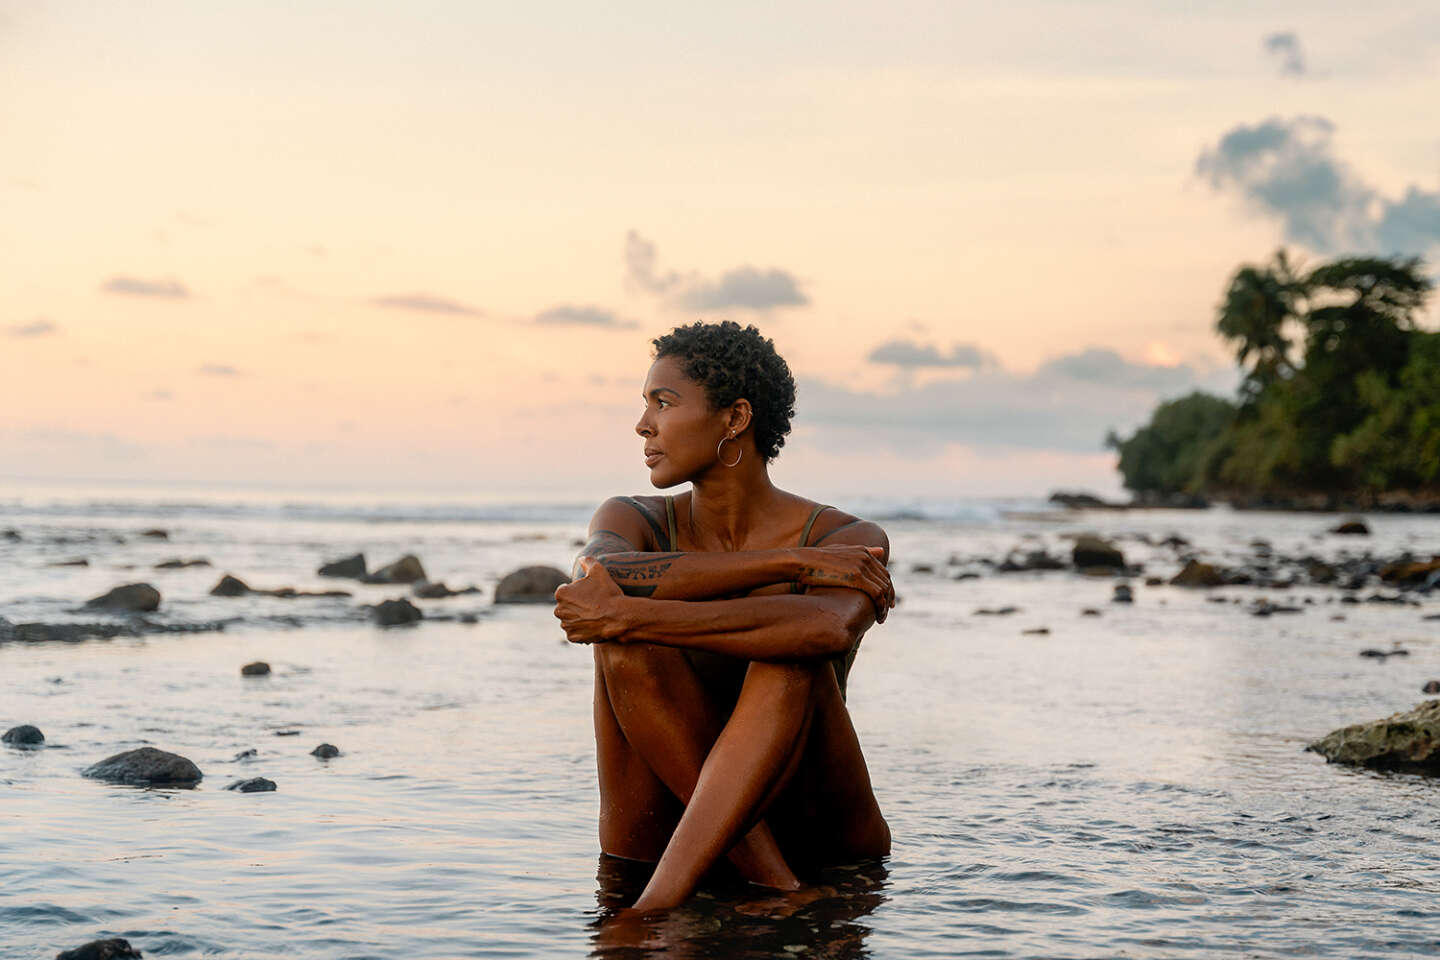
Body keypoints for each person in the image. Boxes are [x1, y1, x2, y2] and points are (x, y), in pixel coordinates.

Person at [553, 320, 895, 914]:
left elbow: (824, 630)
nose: (643, 425)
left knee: (787, 657)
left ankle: (654, 912)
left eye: (664, 402)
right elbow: (596, 579)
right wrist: (792, 562)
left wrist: (627, 617)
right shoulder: (635, 518)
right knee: (625, 643)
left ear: (735, 419)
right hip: (657, 840)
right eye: (645, 405)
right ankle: (768, 884)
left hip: (816, 837)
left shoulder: (847, 539)